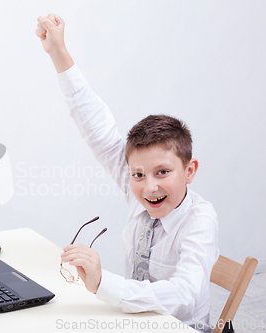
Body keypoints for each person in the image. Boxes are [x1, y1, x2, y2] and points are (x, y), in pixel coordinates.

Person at [36, 13, 219, 332]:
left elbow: (185, 294)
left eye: (163, 172)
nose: (149, 188)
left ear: (189, 170)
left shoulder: (200, 221)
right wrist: (58, 52)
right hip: (131, 322)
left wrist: (104, 281)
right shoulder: (140, 191)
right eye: (138, 175)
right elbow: (96, 127)